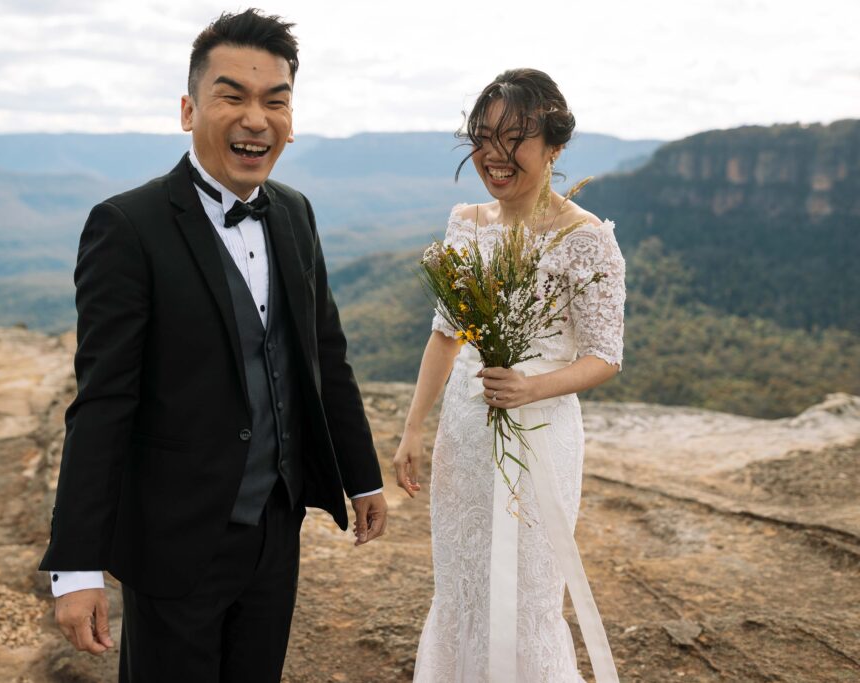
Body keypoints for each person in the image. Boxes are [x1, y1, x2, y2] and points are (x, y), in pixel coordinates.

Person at [39, 9, 388, 681]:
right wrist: (76, 565)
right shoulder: (126, 226)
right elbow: (103, 401)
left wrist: (360, 473)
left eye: (275, 100)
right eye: (232, 96)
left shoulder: (294, 211)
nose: (256, 118)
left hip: (274, 528)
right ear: (188, 109)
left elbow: (324, 354)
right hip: (174, 536)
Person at [393, 68, 625, 682]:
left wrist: (531, 387)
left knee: (528, 598)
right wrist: (414, 428)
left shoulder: (587, 238)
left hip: (542, 434)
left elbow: (605, 355)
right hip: (466, 434)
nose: (493, 156)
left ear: (554, 146)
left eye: (513, 139)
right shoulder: (466, 222)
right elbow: (446, 335)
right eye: (482, 137)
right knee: (464, 588)